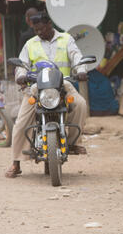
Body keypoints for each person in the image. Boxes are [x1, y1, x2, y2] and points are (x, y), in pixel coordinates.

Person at [5, 11, 88, 178]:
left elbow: (77, 57)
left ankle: (73, 142)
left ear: (49, 24)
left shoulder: (66, 39)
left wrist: (81, 71)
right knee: (22, 120)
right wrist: (21, 75)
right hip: (37, 86)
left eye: (41, 28)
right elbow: (22, 64)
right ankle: (16, 162)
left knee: (80, 104)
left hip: (63, 83)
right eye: (36, 30)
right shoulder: (30, 44)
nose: (39, 33)